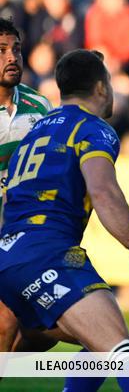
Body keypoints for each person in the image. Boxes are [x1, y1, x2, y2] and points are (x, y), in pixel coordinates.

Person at [0, 48, 129, 390]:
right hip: (46, 253)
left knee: (98, 341)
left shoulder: (35, 131)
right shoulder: (94, 129)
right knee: (125, 354)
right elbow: (104, 191)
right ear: (102, 88)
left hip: (9, 255)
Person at [0, 17, 51, 352]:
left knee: (42, 332)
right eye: (2, 50)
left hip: (21, 234)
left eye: (16, 49)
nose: (12, 57)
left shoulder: (40, 108)